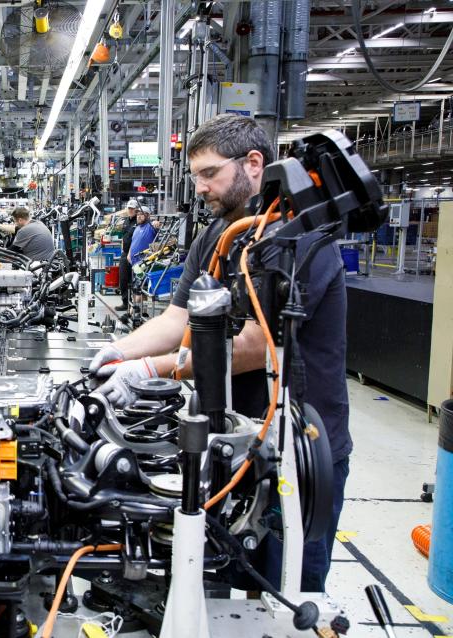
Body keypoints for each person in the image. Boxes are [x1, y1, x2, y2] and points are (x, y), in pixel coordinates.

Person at [88, 114, 349, 593]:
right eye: (195, 176)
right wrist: (115, 352)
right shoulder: (218, 235)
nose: (200, 188)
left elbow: (255, 345)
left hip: (293, 450)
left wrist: (147, 368)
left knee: (282, 592)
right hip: (230, 440)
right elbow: (177, 319)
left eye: (209, 173)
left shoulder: (301, 237)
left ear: (253, 163)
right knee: (224, 580)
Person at [124, 202, 158, 314]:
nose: (138, 216)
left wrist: (156, 223)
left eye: (141, 214)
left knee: (138, 289)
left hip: (144, 264)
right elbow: (134, 242)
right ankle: (143, 312)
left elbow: (157, 225)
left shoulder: (150, 227)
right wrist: (129, 254)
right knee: (138, 289)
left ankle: (131, 312)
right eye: (137, 214)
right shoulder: (137, 228)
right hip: (134, 263)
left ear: (148, 216)